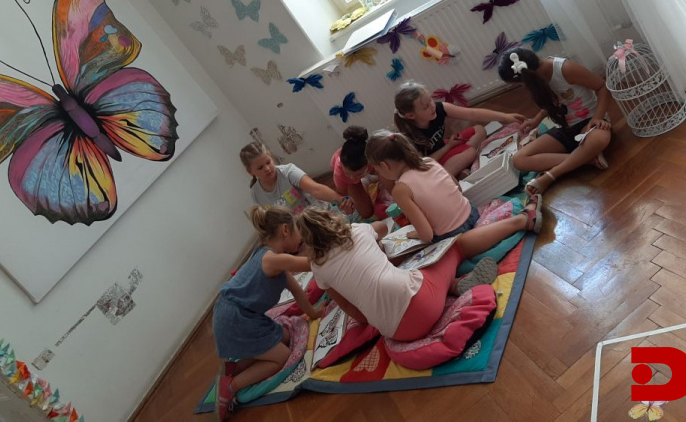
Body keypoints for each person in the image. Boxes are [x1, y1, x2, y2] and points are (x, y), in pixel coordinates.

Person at [295, 205, 531, 342]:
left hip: (398, 333)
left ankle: (454, 285)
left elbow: (353, 311)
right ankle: (521, 221)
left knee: (411, 273)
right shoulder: (357, 230)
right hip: (422, 304)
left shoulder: (318, 268)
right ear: (334, 219)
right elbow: (381, 227)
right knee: (453, 248)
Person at [213, 206, 320, 420]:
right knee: (282, 357)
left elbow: (297, 291)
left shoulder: (270, 257)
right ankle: (231, 386)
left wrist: (314, 314)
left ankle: (235, 367)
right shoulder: (273, 259)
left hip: (243, 315)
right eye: (298, 231)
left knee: (286, 336)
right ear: (285, 230)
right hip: (235, 319)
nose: (301, 239)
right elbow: (311, 264)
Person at [365, 130, 541, 250]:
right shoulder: (429, 161)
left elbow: (427, 234)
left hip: (454, 234)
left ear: (384, 166)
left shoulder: (400, 189)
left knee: (451, 253)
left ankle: (521, 220)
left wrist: (417, 233)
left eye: (377, 170)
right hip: (471, 211)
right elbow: (457, 186)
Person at [497, 48, 612, 195]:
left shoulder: (565, 69)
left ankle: (551, 175)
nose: (523, 88)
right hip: (564, 128)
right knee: (518, 160)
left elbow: (602, 86)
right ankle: (586, 158)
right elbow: (554, 103)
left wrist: (598, 117)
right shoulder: (539, 78)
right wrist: (536, 120)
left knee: (598, 139)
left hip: (590, 122)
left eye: (520, 85)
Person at [393, 81, 527, 177]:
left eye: (431, 100)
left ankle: (463, 164)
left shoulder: (439, 108)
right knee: (470, 153)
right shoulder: (408, 137)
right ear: (411, 115)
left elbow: (472, 114)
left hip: (446, 148)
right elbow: (423, 163)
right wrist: (449, 146)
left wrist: (504, 116)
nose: (432, 106)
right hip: (434, 164)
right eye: (426, 106)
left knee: (479, 130)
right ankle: (459, 167)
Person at [239, 142, 353, 214]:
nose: (267, 168)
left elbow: (316, 189)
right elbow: (271, 220)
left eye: (268, 162)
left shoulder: (288, 171)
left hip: (322, 215)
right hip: (300, 232)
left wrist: (341, 201)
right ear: (250, 172)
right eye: (260, 168)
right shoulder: (256, 193)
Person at [330, 126, 394, 219]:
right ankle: (365, 180)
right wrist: (347, 205)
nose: (352, 177)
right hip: (351, 182)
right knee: (366, 213)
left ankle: (369, 177)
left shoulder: (375, 156)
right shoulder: (340, 173)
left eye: (358, 174)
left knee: (392, 188)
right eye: (348, 173)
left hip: (374, 165)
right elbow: (342, 196)